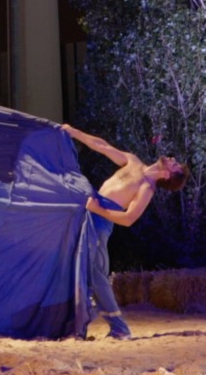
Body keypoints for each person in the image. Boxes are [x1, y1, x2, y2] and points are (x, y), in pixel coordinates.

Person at [61, 124, 187, 340]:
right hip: (91, 212)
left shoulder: (146, 188)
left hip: (100, 220)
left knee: (95, 273)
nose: (173, 160)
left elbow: (128, 219)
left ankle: (118, 327)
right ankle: (82, 326)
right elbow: (103, 146)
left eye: (175, 165)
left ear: (167, 175)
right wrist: (73, 132)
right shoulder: (134, 161)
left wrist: (98, 209)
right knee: (82, 269)